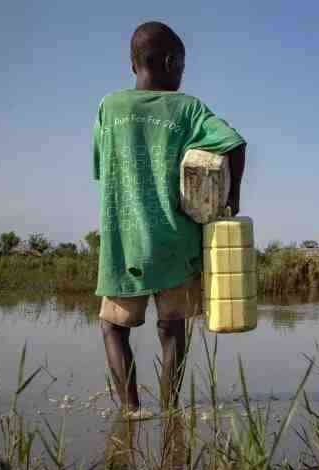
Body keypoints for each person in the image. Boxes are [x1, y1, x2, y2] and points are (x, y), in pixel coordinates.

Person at [92, 21, 246, 416]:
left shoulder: (110, 107)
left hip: (125, 245)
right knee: (172, 328)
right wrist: (232, 199)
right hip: (177, 241)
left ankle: (130, 410)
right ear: (170, 61)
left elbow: (99, 169)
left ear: (132, 66)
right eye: (181, 67)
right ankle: (170, 411)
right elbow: (234, 143)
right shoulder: (188, 108)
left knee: (113, 328)